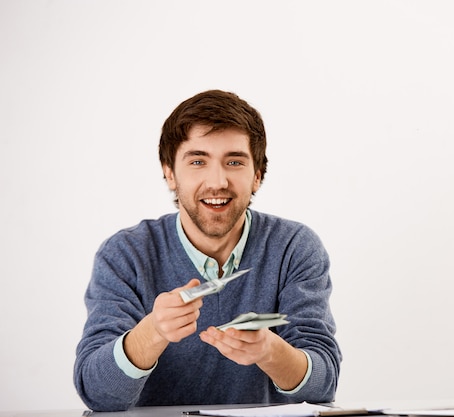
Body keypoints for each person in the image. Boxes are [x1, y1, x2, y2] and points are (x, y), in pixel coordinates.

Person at [73, 90, 342, 412]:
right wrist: (153, 331)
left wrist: (270, 350)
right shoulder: (125, 254)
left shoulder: (294, 247)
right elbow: (96, 394)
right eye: (198, 161)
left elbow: (323, 387)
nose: (217, 181)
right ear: (170, 173)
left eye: (234, 162)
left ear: (257, 176)